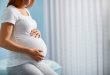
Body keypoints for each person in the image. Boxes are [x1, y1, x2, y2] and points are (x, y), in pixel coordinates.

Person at [0, 0, 58, 75]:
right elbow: (2, 41)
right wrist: (29, 51)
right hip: (18, 63)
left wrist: (37, 32)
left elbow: (23, 31)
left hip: (34, 61)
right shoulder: (10, 11)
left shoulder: (26, 11)